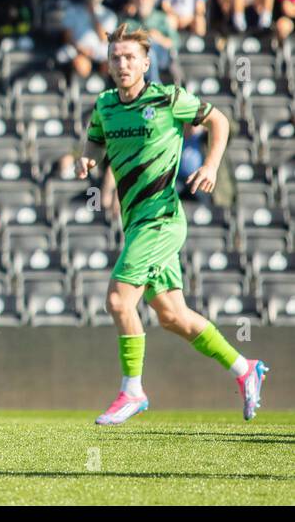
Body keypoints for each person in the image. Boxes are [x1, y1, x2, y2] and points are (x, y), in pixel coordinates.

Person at [79, 23, 267, 425]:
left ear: (147, 62)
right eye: (116, 57)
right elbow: (95, 138)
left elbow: (219, 121)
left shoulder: (169, 99)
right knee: (172, 317)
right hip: (136, 224)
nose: (123, 63)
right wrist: (87, 157)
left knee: (118, 301)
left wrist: (211, 165)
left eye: (130, 57)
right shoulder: (106, 104)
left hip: (162, 219)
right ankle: (245, 368)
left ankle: (132, 391)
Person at [57, 0, 118, 80]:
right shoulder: (72, 11)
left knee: (111, 65)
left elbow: (105, 38)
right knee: (81, 65)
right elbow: (67, 37)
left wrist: (93, 14)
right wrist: (80, 49)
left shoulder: (109, 15)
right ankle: (81, 92)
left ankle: (105, 92)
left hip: (100, 53)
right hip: (78, 50)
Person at [121, 0, 178, 83]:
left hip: (161, 57)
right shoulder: (128, 22)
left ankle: (154, 83)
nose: (142, 1)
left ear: (152, 0)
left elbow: (176, 42)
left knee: (148, 50)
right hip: (136, 60)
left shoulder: (162, 18)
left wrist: (159, 38)